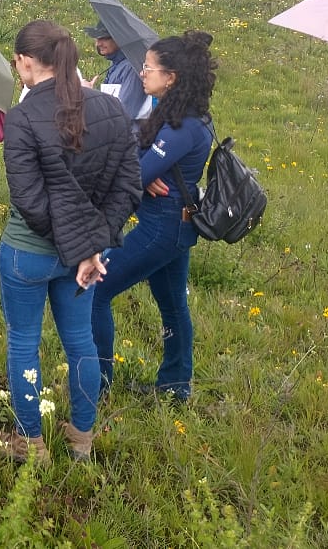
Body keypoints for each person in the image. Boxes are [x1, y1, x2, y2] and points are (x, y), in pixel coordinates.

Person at [0, 20, 141, 463]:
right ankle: (81, 438)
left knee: (24, 341)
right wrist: (90, 249)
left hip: (29, 253)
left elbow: (29, 200)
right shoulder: (112, 111)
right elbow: (127, 189)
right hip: (87, 258)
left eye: (16, 61)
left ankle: (31, 444)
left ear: (25, 62)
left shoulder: (21, 118)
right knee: (80, 340)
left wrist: (79, 247)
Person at [92, 32, 217, 403]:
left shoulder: (185, 126)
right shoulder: (172, 114)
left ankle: (97, 383)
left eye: (149, 68)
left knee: (97, 290)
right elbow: (138, 163)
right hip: (173, 225)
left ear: (172, 77)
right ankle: (176, 385)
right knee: (173, 303)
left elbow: (135, 173)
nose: (142, 73)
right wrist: (142, 174)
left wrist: (141, 175)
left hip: (163, 227)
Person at [82, 21, 150, 131]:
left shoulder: (130, 69)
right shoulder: (117, 63)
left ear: (119, 39)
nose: (98, 44)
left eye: (104, 38)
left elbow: (123, 113)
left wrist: (90, 96)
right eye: (97, 39)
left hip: (127, 138)